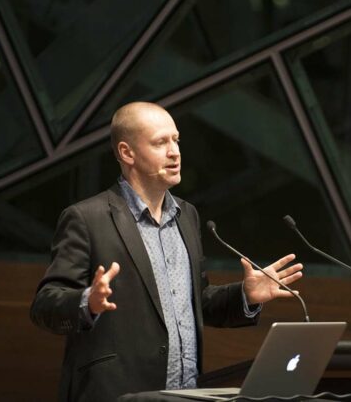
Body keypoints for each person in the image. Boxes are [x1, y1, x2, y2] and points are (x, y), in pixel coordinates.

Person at [30, 102, 303, 401]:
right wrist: (88, 302)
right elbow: (45, 306)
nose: (174, 152)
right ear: (126, 153)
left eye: (176, 140)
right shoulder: (87, 218)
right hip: (118, 393)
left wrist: (244, 296)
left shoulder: (187, 216)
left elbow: (195, 303)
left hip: (186, 393)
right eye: (160, 142)